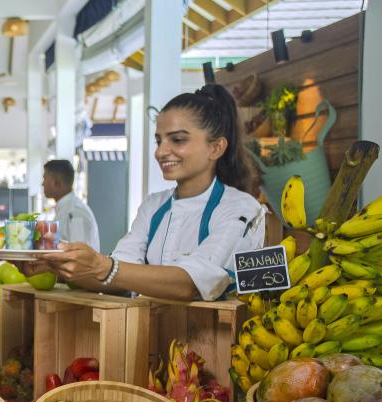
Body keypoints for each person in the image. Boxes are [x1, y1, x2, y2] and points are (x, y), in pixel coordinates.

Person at [28, 84, 265, 302]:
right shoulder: (154, 207)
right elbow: (118, 278)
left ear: (216, 147)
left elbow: (189, 284)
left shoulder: (241, 209)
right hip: (149, 338)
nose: (161, 152)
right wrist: (56, 268)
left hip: (215, 344)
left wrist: (103, 266)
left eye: (178, 139)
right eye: (159, 140)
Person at [42, 159, 100, 251]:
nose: (42, 184)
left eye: (45, 179)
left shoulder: (75, 212)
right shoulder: (65, 209)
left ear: (56, 183)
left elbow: (80, 255)